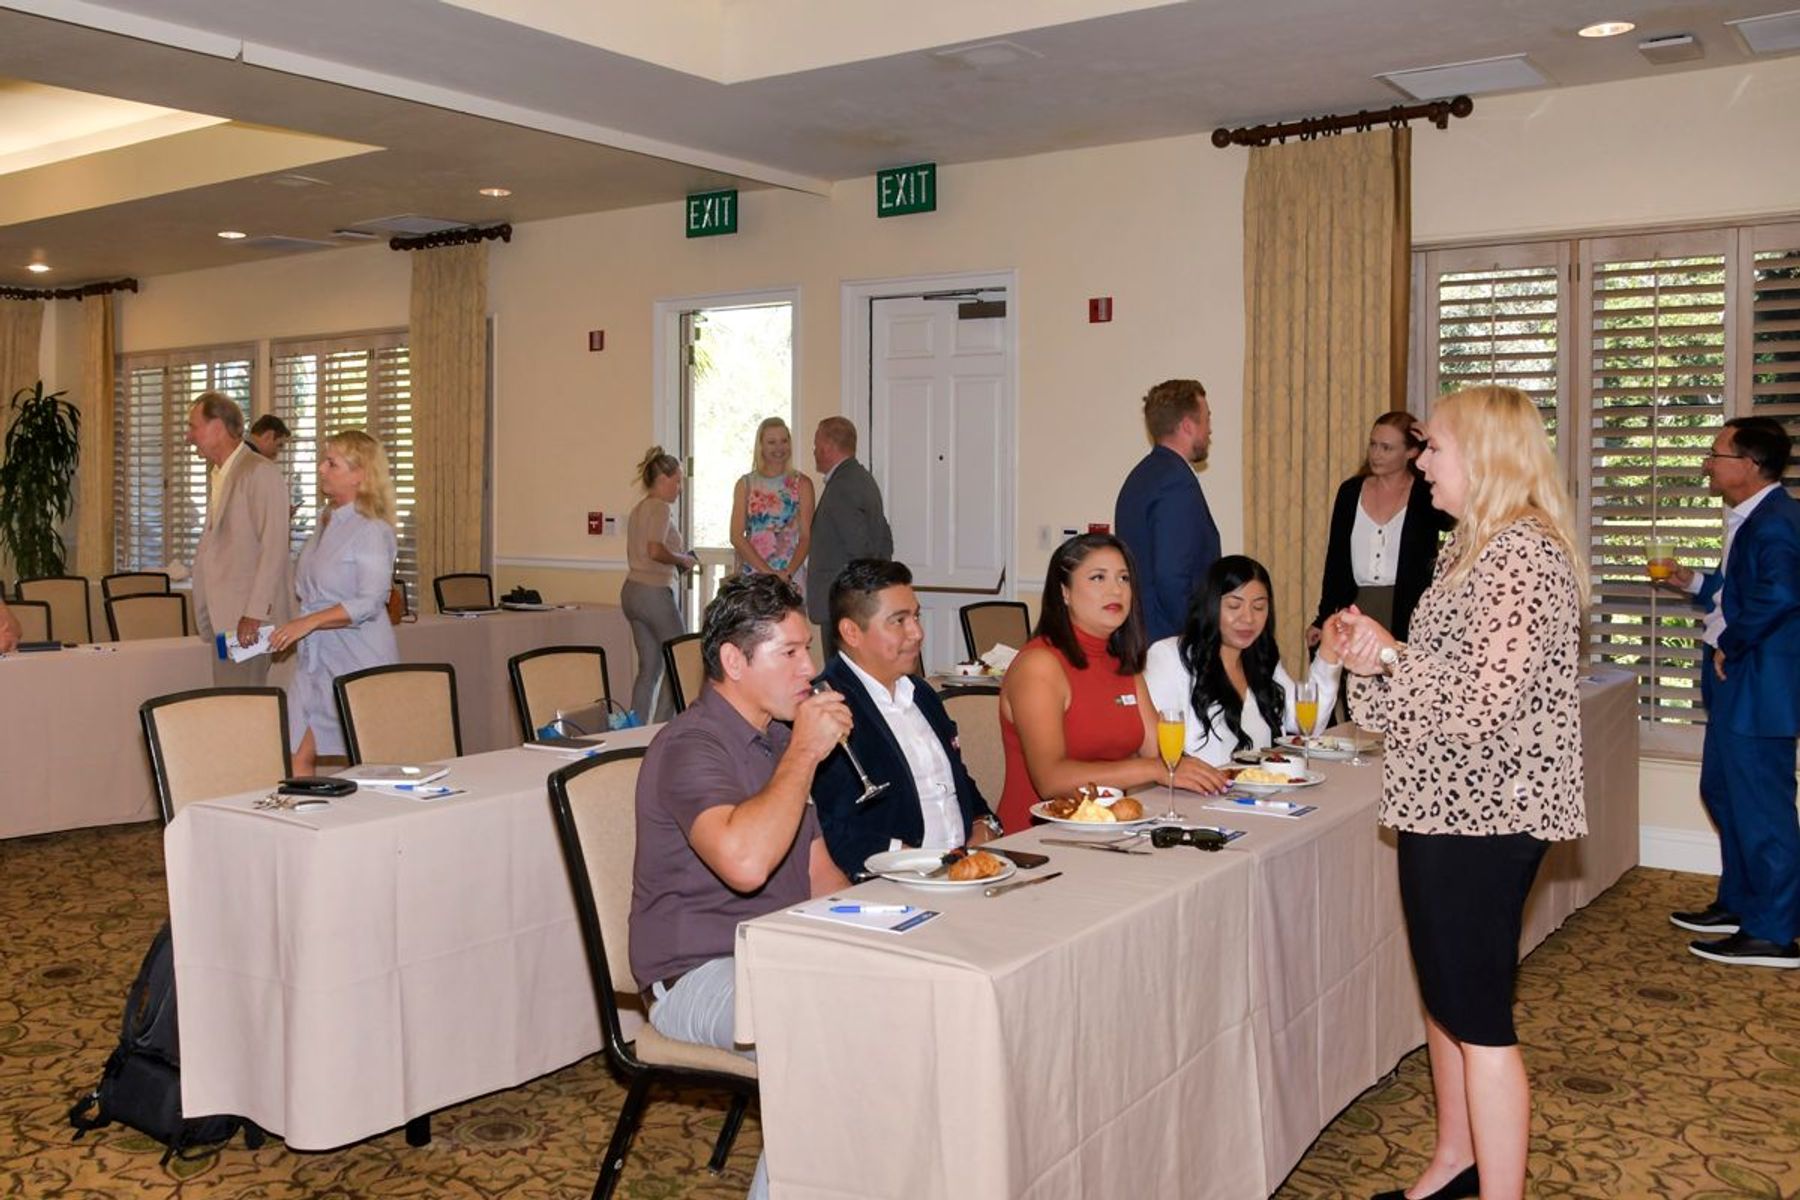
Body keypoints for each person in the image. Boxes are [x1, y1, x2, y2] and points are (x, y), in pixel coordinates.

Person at [1332, 384, 1587, 1200]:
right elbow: (1418, 693)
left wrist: (1391, 655)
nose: (1421, 463)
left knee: (1477, 1016)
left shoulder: (1523, 553)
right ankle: (1454, 1163)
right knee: (1445, 1000)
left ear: (1483, 456)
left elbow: (1482, 701)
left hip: (1489, 814)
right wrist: (1370, 658)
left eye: (1433, 447)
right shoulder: (1467, 546)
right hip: (1439, 803)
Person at [630, 573, 853, 1200]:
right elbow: (746, 865)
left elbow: (819, 875)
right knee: (825, 1038)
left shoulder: (777, 740)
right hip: (696, 973)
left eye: (808, 649)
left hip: (775, 953)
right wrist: (804, 756)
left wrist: (890, 926)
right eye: (790, 652)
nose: (810, 668)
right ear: (733, 661)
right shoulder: (690, 745)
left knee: (901, 1007)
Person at [1654, 416, 1800, 968]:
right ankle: (1742, 903)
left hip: (1758, 683)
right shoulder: (1752, 517)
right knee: (1724, 791)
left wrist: (1732, 644)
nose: (1707, 464)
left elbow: (1781, 595)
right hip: (1735, 680)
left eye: (1717, 454)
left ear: (1751, 465)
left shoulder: (1776, 522)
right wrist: (1691, 582)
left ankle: (1775, 932)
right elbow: (1738, 593)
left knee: (1762, 806)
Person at [996, 533, 1226, 833]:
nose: (1116, 590)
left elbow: (1159, 752)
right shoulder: (1039, 664)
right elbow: (1051, 780)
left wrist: (1206, 775)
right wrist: (1155, 769)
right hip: (1039, 837)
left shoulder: (1123, 662)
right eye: (1098, 578)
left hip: (1112, 829)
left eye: (1124, 579)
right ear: (1064, 592)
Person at [811, 559, 998, 876]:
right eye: (898, 621)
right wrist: (914, 862)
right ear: (851, 632)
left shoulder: (921, 694)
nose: (917, 632)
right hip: (890, 881)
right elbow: (829, 825)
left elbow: (956, 779)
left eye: (916, 616)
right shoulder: (826, 707)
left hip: (963, 869)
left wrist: (984, 824)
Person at [268, 430, 399, 777]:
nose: (321, 468)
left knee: (367, 762)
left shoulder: (372, 529)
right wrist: (297, 625)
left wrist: (308, 622)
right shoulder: (327, 520)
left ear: (360, 474)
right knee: (295, 751)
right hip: (317, 658)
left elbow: (372, 600)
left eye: (331, 463)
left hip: (357, 656)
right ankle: (303, 810)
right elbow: (309, 589)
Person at [1146, 555, 1342, 766]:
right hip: (1199, 786)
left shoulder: (1262, 660)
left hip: (1260, 785)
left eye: (1258, 607)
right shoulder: (1169, 657)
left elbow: (1308, 725)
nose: (1248, 618)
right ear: (1210, 605)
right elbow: (1156, 750)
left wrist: (1330, 650)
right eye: (1234, 606)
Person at [1308, 411, 1452, 649]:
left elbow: (1458, 519)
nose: (1376, 454)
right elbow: (1336, 560)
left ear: (1411, 452)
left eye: (1386, 448)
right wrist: (1323, 617)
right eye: (1373, 445)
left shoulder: (1426, 494)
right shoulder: (1350, 492)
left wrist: (1435, 444)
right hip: (1356, 609)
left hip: (1410, 613)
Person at [187, 392, 292, 685]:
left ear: (217, 427)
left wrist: (254, 613)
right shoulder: (222, 473)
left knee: (243, 704)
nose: (188, 437)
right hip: (224, 619)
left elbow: (274, 549)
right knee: (229, 699)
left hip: (248, 623)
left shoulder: (260, 472)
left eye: (193, 427)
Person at [1114, 378, 1222, 642]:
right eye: (1207, 419)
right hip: (1169, 638)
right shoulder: (1176, 483)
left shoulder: (1140, 476)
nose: (1209, 430)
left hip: (1141, 634)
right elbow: (1171, 577)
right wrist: (1195, 638)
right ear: (1187, 426)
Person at [622, 446, 700, 723]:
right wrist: (682, 560)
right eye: (677, 481)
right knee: (680, 658)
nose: (680, 488)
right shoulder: (660, 508)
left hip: (631, 592)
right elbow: (655, 550)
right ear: (663, 479)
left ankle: (634, 728)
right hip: (653, 593)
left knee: (650, 667)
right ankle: (662, 727)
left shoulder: (639, 509)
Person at [805, 417, 893, 659]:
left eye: (816, 445)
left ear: (827, 447)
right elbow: (885, 538)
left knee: (842, 674)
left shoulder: (842, 487)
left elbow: (859, 549)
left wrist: (854, 594)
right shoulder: (863, 479)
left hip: (842, 603)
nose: (814, 451)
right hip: (856, 602)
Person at [730, 416, 814, 593]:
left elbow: (806, 537)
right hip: (754, 576)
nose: (779, 448)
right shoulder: (745, 484)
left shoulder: (803, 484)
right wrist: (768, 573)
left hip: (791, 576)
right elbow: (736, 536)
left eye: (784, 441)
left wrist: (787, 573)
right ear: (761, 446)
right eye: (771, 442)